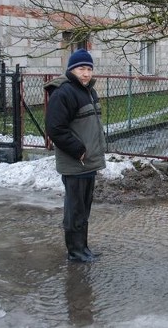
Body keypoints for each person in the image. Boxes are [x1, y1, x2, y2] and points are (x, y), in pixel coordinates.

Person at [44, 49, 107, 263]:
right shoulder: (64, 92)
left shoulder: (87, 90)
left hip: (88, 162)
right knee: (75, 210)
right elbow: (55, 128)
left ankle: (83, 248)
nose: (86, 73)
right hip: (75, 162)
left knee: (84, 209)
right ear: (72, 69)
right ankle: (75, 252)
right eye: (82, 68)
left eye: (89, 69)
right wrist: (78, 150)